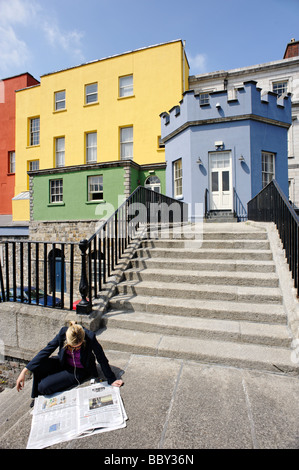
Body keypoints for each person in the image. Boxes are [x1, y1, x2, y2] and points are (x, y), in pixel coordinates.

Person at [16, 321, 123, 402]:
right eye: (72, 346)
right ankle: (36, 398)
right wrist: (24, 371)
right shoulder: (63, 332)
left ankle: (41, 392)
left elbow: (101, 357)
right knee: (37, 366)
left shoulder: (90, 337)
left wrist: (111, 379)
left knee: (43, 387)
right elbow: (46, 351)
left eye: (78, 347)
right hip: (63, 363)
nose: (75, 349)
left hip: (79, 370)